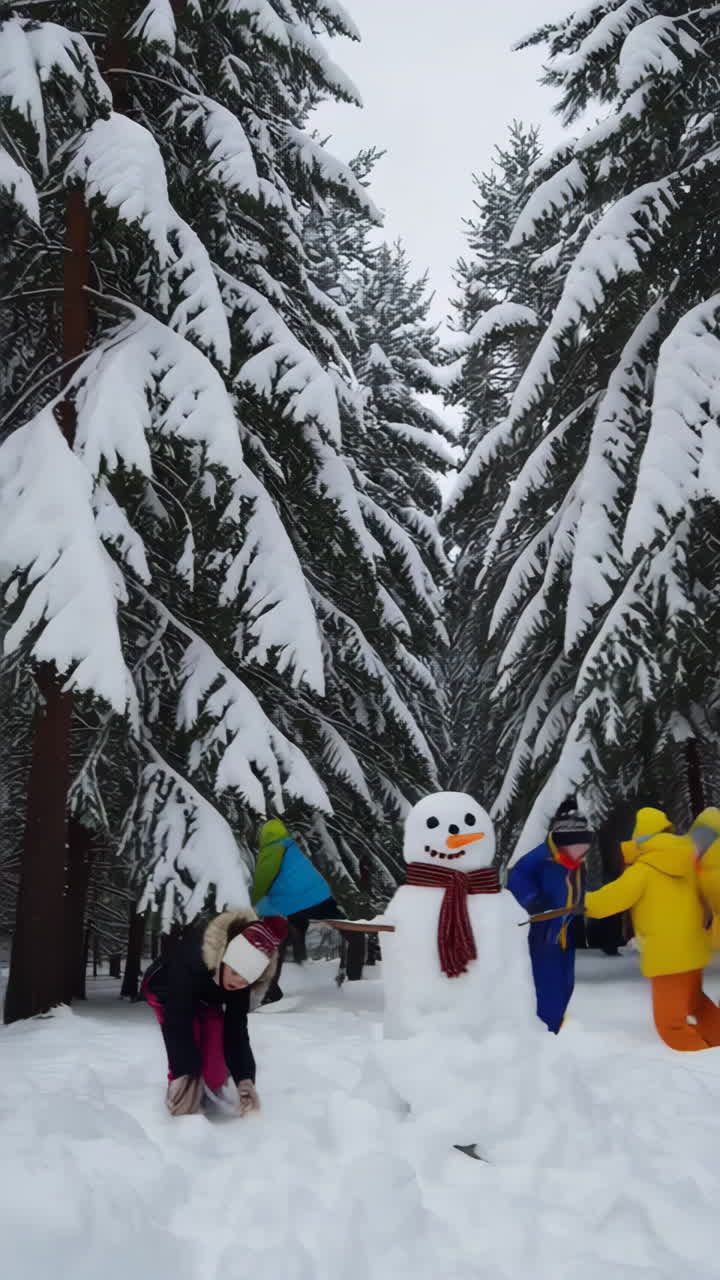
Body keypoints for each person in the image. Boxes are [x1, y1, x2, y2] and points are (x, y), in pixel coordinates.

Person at [585, 806, 720, 1051]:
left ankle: (705, 1061)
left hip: (667, 958)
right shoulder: (689, 861)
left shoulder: (643, 870)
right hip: (693, 951)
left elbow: (611, 899)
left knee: (671, 1025)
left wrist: (583, 904)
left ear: (640, 838)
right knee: (697, 1005)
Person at [143, 909, 287, 1115]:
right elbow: (178, 1023)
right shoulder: (192, 960)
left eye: (246, 979)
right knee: (190, 1038)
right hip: (167, 992)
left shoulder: (239, 984)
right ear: (225, 958)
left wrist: (244, 1078)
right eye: (235, 972)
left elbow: (236, 1031)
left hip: (207, 997)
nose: (238, 982)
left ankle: (210, 1090)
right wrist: (185, 1073)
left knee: (215, 1047)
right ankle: (182, 1096)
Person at [507, 799, 591, 1033]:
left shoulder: (574, 863)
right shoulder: (536, 862)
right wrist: (534, 902)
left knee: (565, 988)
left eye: (585, 847)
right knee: (547, 991)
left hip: (565, 937)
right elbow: (516, 886)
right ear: (563, 841)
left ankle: (554, 1032)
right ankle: (543, 1036)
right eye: (579, 847)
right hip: (542, 939)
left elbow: (577, 893)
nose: (583, 852)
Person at [252, 819, 339, 1003]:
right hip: (322, 899)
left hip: (296, 905)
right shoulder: (291, 848)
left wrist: (250, 903)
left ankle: (271, 988)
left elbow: (262, 881)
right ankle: (297, 954)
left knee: (274, 932)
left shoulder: (271, 850)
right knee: (288, 925)